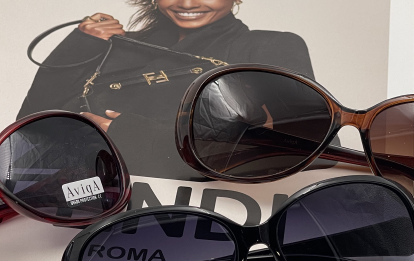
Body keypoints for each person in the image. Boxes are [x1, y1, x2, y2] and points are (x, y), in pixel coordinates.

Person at [17, 0, 315, 181]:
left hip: (193, 219)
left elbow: (307, 146)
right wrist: (80, 45)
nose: (187, 4)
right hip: (81, 205)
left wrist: (132, 135)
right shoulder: (111, 45)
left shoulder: (269, 47)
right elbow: (28, 130)